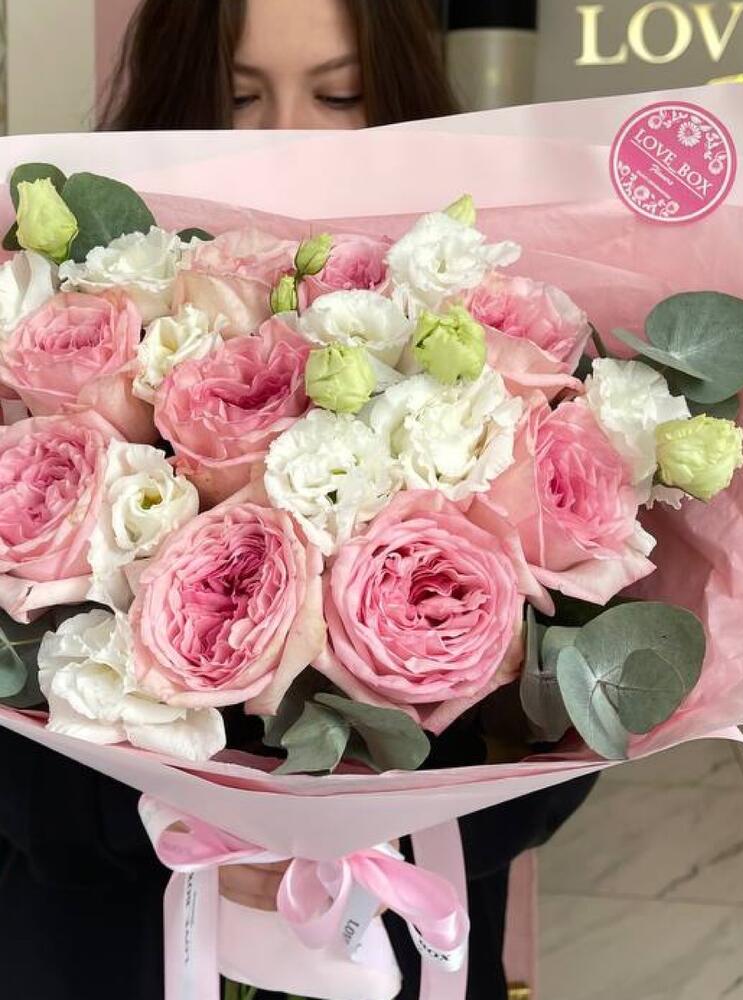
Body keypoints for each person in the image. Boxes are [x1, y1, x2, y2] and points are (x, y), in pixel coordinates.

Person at [0, 2, 596, 998]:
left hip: (401, 933)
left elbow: (564, 746)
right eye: (237, 96)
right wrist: (165, 819)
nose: (287, 132)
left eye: (340, 93)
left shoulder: (490, 328)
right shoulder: (54, 316)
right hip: (104, 946)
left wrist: (374, 826)